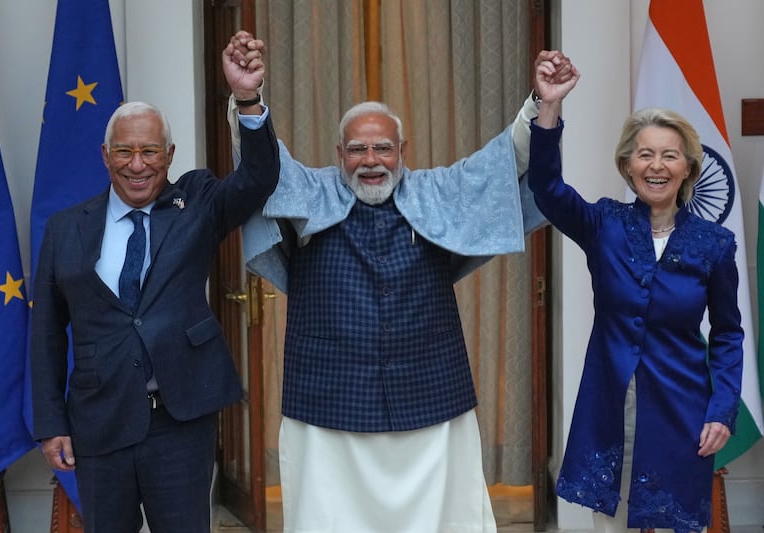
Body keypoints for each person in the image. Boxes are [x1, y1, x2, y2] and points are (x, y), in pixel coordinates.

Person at [228, 32, 574, 532]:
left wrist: (543, 102)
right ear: (338, 152)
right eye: (358, 149)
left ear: (403, 150)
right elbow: (262, 166)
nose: (371, 160)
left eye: (383, 148)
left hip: (430, 392)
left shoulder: (437, 191)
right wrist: (247, 98)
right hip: (329, 396)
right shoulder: (309, 189)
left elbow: (505, 162)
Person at [29, 39, 279, 533]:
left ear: (169, 155)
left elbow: (258, 176)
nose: (137, 165)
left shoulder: (199, 203)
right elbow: (46, 335)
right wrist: (51, 423)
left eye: (149, 151)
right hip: (100, 420)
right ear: (106, 155)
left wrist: (247, 100)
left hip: (180, 420)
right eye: (124, 151)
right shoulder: (66, 229)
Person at [528, 57, 743, 533]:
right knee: (611, 522)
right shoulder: (603, 224)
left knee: (673, 522)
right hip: (608, 406)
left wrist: (722, 409)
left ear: (688, 166)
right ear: (627, 165)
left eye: (669, 155)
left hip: (682, 409)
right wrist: (549, 106)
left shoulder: (714, 244)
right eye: (644, 154)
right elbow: (545, 188)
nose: (657, 165)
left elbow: (728, 334)